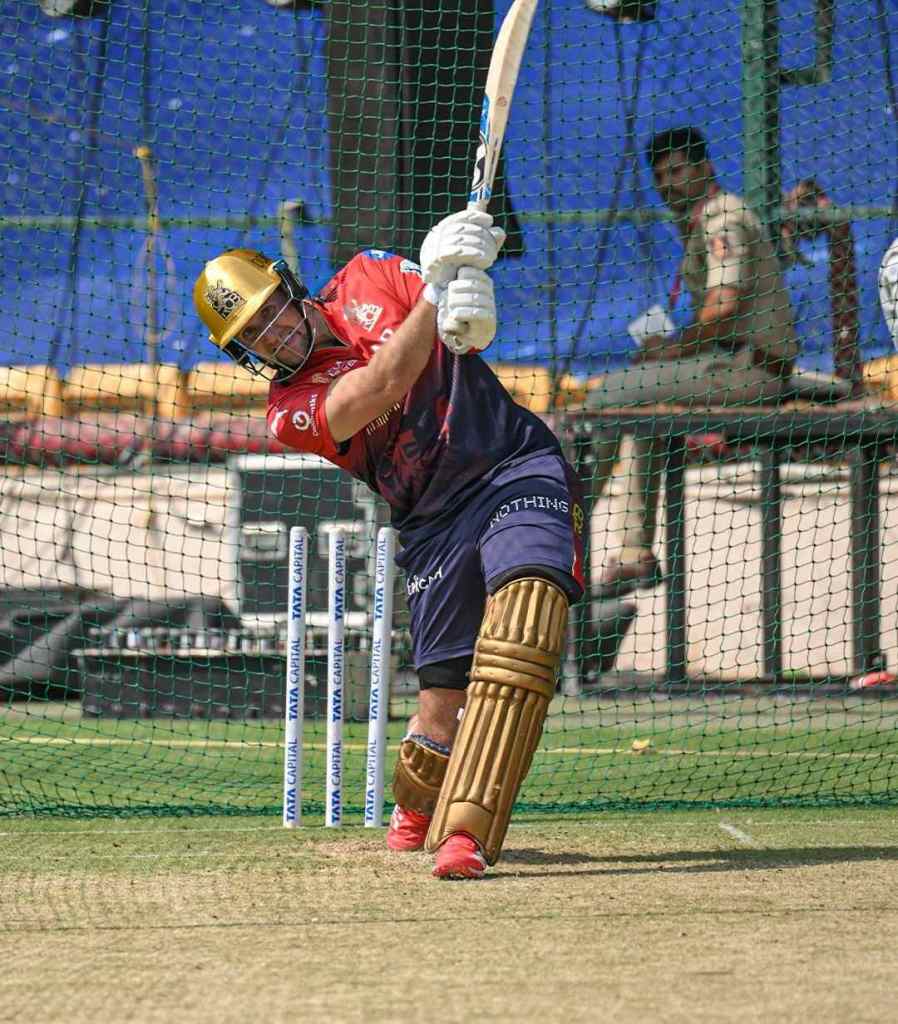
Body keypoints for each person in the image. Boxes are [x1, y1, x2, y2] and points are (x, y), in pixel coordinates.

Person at [193, 211, 585, 880]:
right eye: (251, 336)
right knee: (442, 702)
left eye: (269, 313)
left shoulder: (369, 273)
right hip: (432, 521)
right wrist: (436, 292)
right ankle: (418, 803)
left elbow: (462, 328)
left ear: (290, 288)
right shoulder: (289, 410)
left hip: (513, 465)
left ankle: (467, 833)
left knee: (528, 619)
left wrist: (467, 292)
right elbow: (381, 385)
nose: (271, 335)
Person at [585, 126, 799, 598]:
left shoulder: (723, 218)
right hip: (738, 363)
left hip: (750, 371)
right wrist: (669, 349)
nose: (668, 184)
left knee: (607, 395)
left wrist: (675, 349)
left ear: (706, 168)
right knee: (639, 413)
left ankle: (560, 527)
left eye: (678, 171)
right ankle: (634, 555)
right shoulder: (702, 221)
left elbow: (724, 308)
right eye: (661, 177)